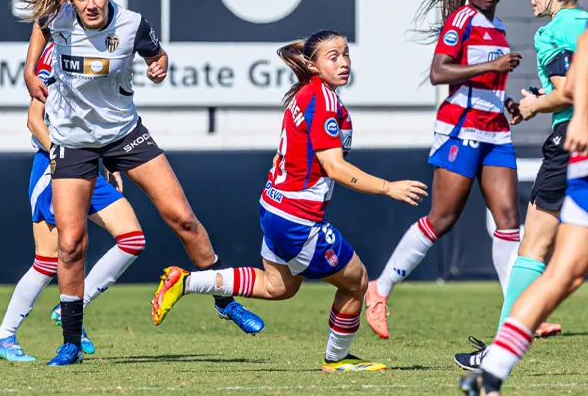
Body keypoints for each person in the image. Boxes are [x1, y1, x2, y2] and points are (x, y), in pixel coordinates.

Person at [7, 0, 264, 366]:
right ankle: (70, 341)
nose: (91, 4)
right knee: (70, 244)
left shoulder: (131, 24)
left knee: (182, 218)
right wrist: (31, 72)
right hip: (73, 142)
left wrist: (160, 66)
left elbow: (155, 55)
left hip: (126, 134)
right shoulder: (58, 18)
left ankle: (223, 300)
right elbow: (39, 30)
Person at [150, 30, 427, 372]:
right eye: (333, 56)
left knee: (278, 286)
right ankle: (337, 360)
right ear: (312, 66)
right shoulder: (322, 100)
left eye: (345, 54)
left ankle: (186, 282)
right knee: (356, 281)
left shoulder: (308, 93)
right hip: (298, 217)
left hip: (276, 208)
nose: (343, 62)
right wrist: (389, 187)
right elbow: (335, 167)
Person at [366, 0, 524, 340]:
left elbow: (485, 84)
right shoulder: (462, 20)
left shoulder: (498, 27)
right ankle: (380, 290)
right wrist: (493, 65)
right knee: (443, 218)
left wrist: (507, 105)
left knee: (508, 220)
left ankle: (518, 314)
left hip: (495, 130)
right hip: (461, 129)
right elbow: (440, 72)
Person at [454, 0, 588, 370]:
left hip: (572, 142)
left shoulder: (553, 30)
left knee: (532, 250)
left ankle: (499, 350)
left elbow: (569, 89)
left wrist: (532, 105)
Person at [0, 41, 146, 362]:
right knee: (47, 261)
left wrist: (110, 163)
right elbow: (35, 119)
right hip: (54, 168)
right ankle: (4, 336)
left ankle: (71, 306)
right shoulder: (55, 53)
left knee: (132, 239)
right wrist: (61, 157)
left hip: (87, 166)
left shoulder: (99, 52)